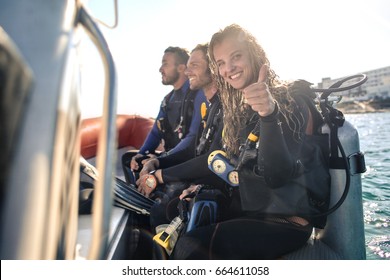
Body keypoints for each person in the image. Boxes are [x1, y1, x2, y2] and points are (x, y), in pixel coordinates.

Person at [170, 24, 331, 260]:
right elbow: (236, 165)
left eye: (236, 56)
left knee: (189, 248)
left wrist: (269, 114)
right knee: (173, 212)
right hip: (253, 209)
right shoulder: (240, 108)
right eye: (221, 62)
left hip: (287, 221)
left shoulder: (289, 100)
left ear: (254, 55)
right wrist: (203, 188)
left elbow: (276, 176)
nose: (229, 68)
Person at [135, 44, 236, 231]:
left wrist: (160, 176)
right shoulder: (211, 106)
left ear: (213, 68)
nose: (187, 71)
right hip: (203, 177)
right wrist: (157, 162)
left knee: (161, 210)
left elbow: (212, 158)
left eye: (194, 66)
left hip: (223, 190)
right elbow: (193, 149)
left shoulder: (226, 106)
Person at [121, 46, 206, 184]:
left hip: (186, 158)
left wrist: (161, 159)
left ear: (181, 68)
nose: (161, 69)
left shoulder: (198, 94)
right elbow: (155, 133)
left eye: (165, 64)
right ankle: (140, 199)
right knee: (129, 159)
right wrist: (141, 154)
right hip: (169, 155)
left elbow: (192, 137)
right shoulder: (167, 100)